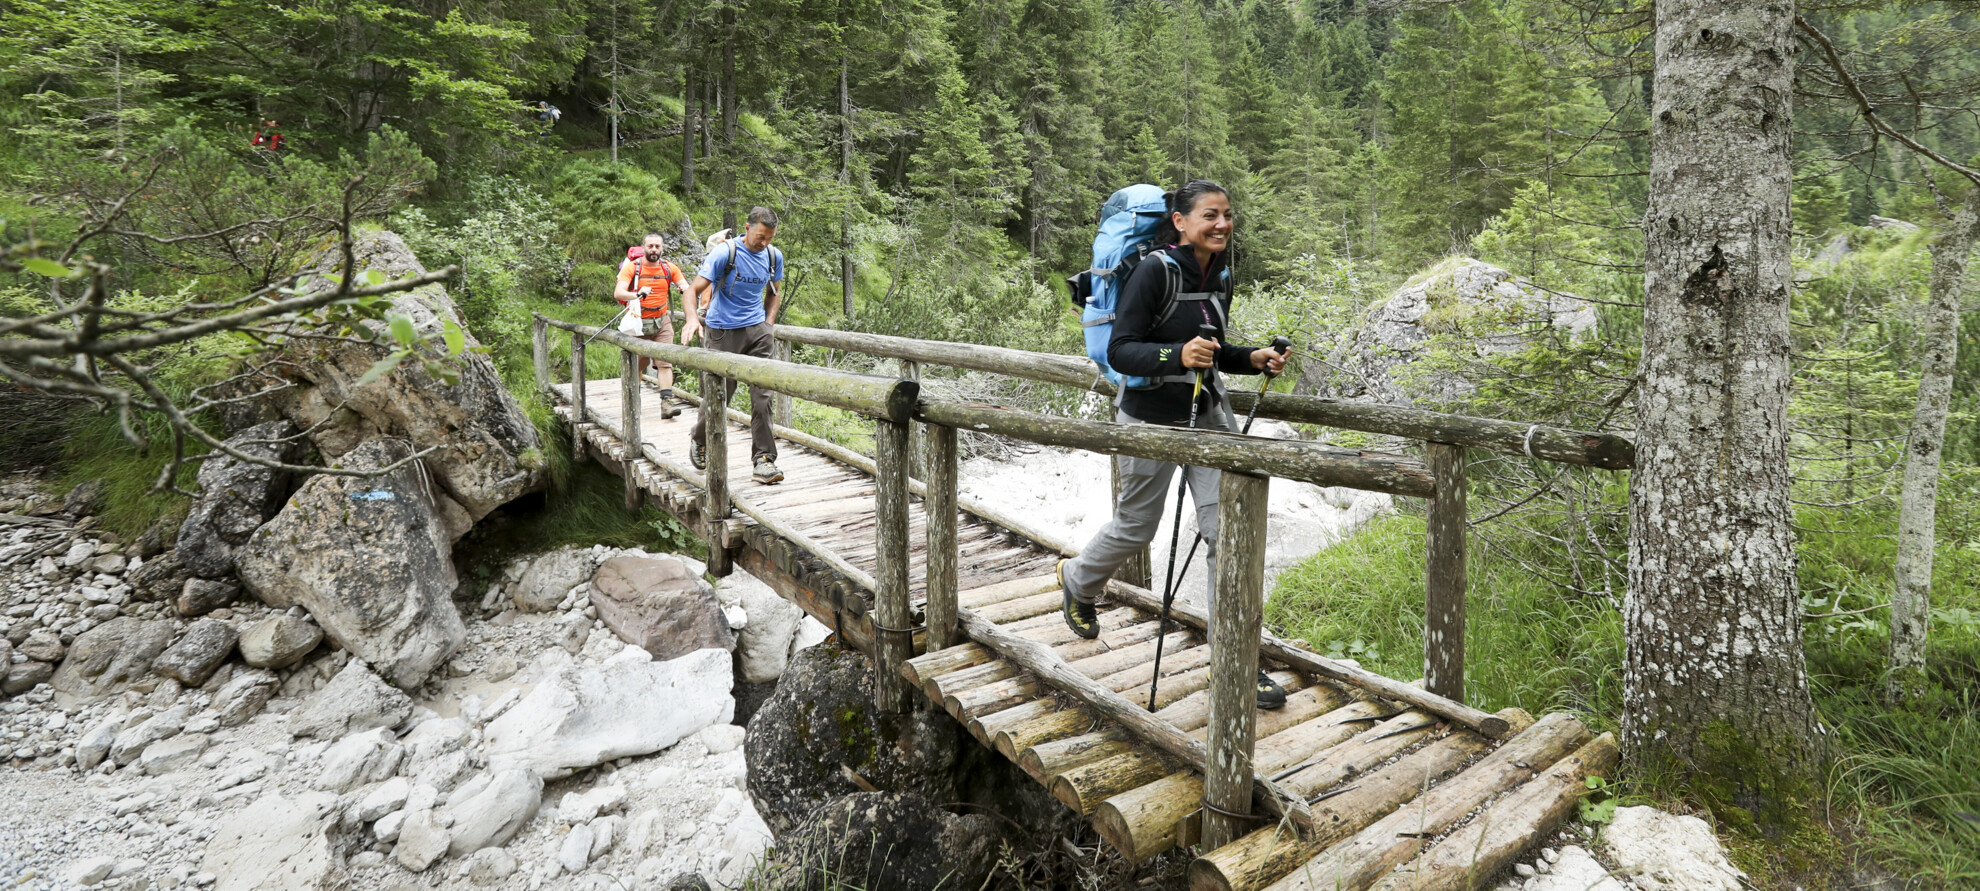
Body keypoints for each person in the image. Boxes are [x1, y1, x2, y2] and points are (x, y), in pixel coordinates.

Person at [1056, 180, 1291, 709]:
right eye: (1210, 215)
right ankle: (1078, 578)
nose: (1223, 224)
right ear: (1180, 221)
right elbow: (1123, 351)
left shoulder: (1220, 274)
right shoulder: (1153, 270)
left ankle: (1235, 658)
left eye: (1228, 215)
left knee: (1225, 534)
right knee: (1137, 526)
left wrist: (1249, 358)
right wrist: (1174, 357)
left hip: (1206, 416)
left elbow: (1211, 348)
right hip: (1147, 418)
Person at [685, 207, 786, 485]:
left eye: (769, 238)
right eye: (760, 236)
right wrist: (692, 319)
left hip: (757, 332)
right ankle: (700, 439)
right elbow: (691, 290)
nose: (764, 243)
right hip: (722, 331)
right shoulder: (724, 253)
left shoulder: (774, 256)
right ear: (747, 227)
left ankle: (764, 460)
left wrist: (768, 324)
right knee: (720, 395)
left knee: (763, 396)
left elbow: (774, 292)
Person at [615, 233, 692, 418]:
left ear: (662, 248)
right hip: (638, 322)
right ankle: (634, 396)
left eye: (657, 246)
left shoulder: (669, 268)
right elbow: (618, 293)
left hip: (662, 321)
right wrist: (637, 294)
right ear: (644, 247)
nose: (654, 250)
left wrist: (685, 289)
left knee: (665, 362)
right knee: (639, 362)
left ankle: (667, 403)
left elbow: (685, 286)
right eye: (650, 246)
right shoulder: (632, 268)